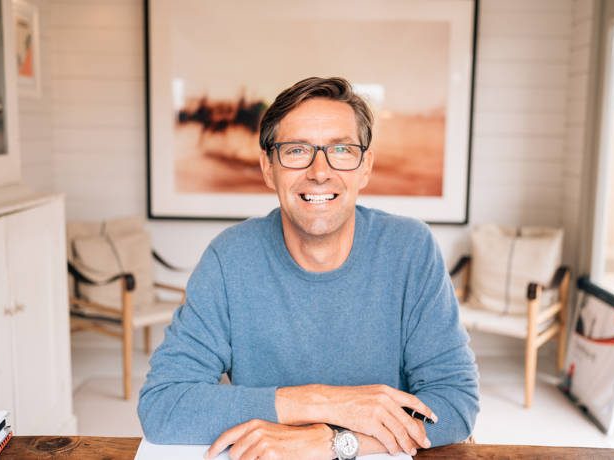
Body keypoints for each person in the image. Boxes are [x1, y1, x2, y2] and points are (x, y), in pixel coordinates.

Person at [138, 77, 479, 459]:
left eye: (341, 149)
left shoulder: (410, 249)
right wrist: (321, 402)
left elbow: (454, 401)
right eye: (297, 150)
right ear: (268, 168)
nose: (320, 171)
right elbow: (163, 405)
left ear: (365, 166)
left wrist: (334, 442)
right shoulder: (229, 259)